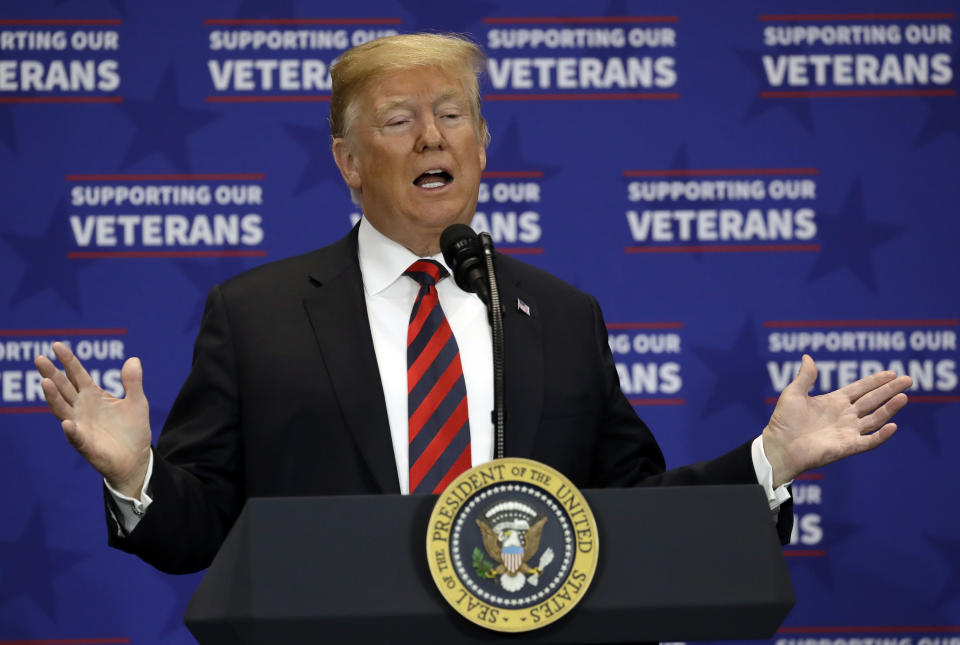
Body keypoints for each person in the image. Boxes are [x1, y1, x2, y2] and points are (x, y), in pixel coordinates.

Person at [34, 34, 912, 574]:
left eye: (452, 114)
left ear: (482, 145)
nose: (431, 136)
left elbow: (631, 512)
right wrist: (134, 477)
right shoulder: (255, 315)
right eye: (399, 119)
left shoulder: (562, 316)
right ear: (346, 161)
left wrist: (767, 462)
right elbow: (203, 531)